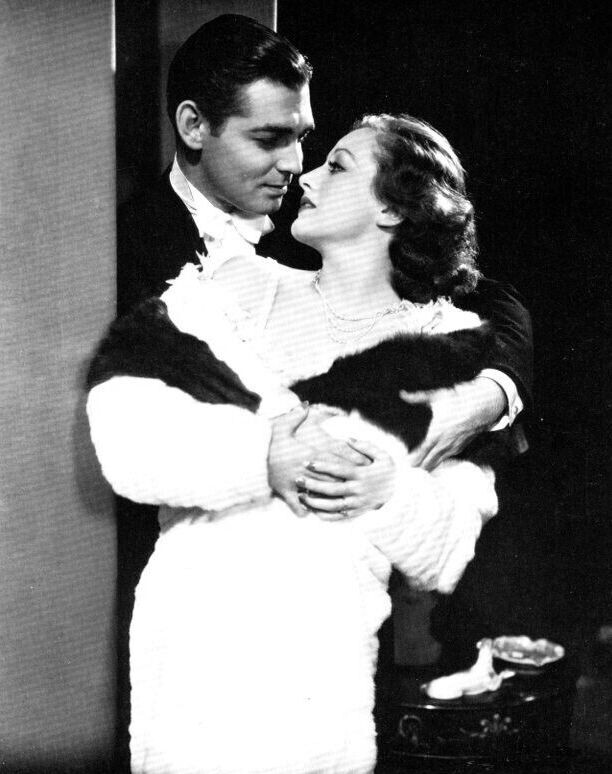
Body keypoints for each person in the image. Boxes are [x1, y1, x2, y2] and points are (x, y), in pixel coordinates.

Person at [88, 113, 511, 773]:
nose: (305, 177)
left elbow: (454, 532)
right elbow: (125, 430)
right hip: (190, 662)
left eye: (336, 166)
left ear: (393, 208)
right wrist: (261, 457)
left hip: (316, 678)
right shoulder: (232, 287)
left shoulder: (450, 342)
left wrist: (390, 491)